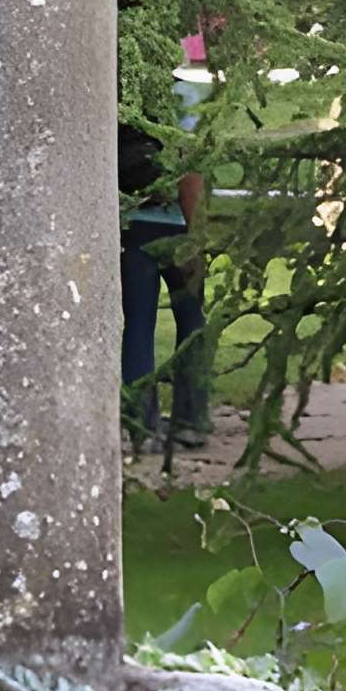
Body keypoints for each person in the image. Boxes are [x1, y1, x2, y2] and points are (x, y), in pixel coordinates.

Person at [120, 56, 212, 453]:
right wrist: (199, 237)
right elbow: (191, 175)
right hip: (177, 227)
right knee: (191, 320)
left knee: (138, 325)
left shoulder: (122, 103)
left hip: (132, 228)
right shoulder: (186, 98)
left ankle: (143, 425)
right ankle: (191, 420)